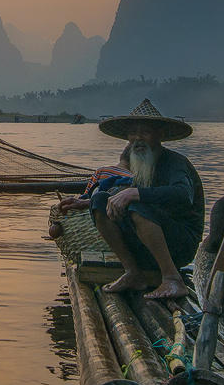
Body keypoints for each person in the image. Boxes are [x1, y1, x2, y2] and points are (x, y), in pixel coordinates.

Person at [56, 98, 204, 300]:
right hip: (148, 242)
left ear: (159, 135)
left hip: (179, 244)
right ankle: (133, 272)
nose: (137, 138)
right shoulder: (141, 162)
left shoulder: (175, 163)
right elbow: (123, 193)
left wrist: (134, 194)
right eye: (133, 133)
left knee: (136, 205)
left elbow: (183, 195)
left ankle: (172, 279)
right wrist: (87, 202)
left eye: (145, 132)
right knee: (101, 200)